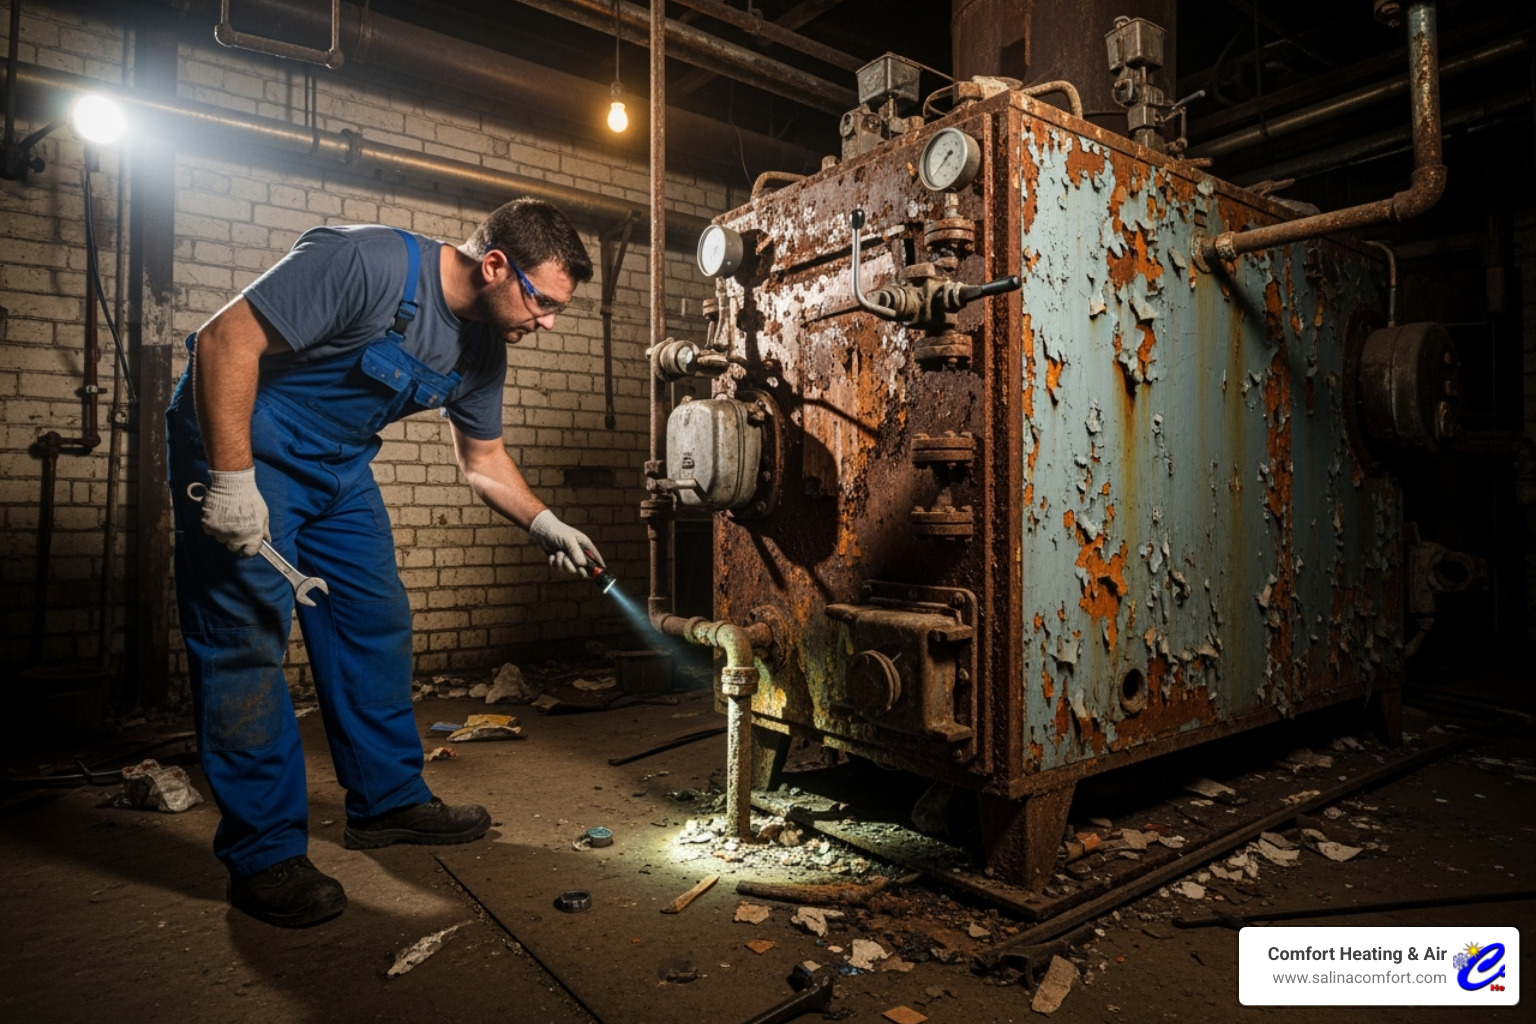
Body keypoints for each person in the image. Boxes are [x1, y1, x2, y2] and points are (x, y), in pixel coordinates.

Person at [166, 198, 604, 928]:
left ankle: (388, 800)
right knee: (244, 639)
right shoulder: (366, 262)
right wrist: (233, 480)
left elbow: (484, 459)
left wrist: (544, 521)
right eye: (544, 301)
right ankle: (265, 854)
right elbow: (222, 343)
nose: (548, 322)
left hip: (337, 468)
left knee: (375, 620)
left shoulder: (482, 347)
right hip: (246, 442)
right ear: (496, 265)